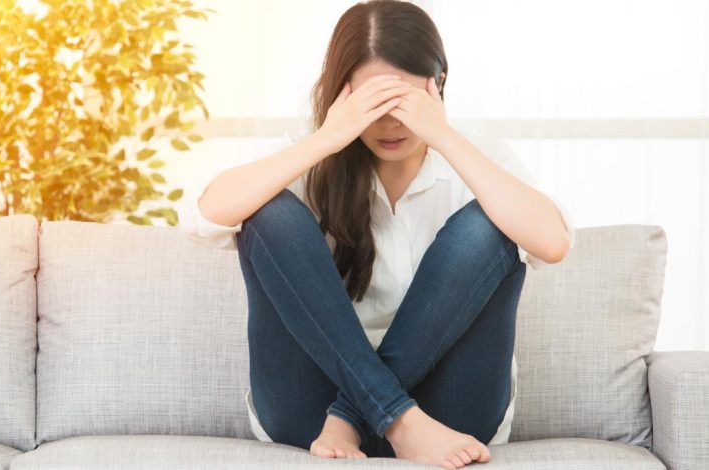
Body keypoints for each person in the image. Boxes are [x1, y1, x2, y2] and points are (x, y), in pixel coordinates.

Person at [177, 0, 575, 468]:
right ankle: (392, 415)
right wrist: (329, 137)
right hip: (313, 414)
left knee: (489, 223)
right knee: (269, 213)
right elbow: (206, 216)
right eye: (373, 103)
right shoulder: (312, 155)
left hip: (446, 417)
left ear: (438, 85)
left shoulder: (474, 157)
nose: (390, 123)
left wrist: (443, 135)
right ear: (342, 95)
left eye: (403, 101)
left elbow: (552, 242)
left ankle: (368, 414)